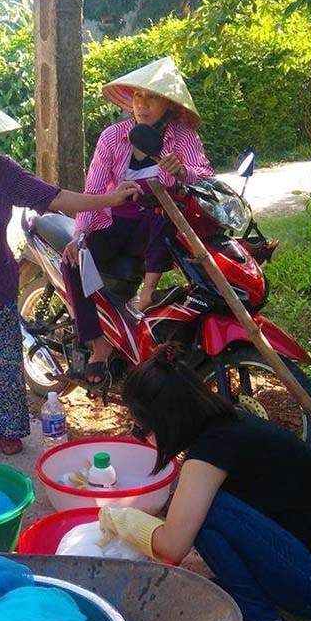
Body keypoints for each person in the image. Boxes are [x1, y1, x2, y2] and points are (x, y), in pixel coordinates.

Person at [0, 82, 142, 461]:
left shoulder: (2, 171)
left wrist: (109, 199)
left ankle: (12, 430)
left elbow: (56, 197)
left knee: (7, 361)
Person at [99, 344, 311, 621]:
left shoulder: (212, 451)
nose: (142, 437)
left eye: (142, 429)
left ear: (166, 421)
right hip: (308, 556)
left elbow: (173, 546)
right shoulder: (229, 424)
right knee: (199, 506)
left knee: (206, 511)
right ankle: (256, 595)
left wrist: (120, 520)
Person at [61, 56, 213, 384]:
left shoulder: (182, 136)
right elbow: (94, 189)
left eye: (152, 97)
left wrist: (183, 172)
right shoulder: (113, 137)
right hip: (114, 222)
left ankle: (149, 293)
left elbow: (205, 175)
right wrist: (80, 235)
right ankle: (98, 344)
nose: (142, 104)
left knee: (162, 212)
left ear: (169, 105)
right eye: (137, 96)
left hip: (157, 227)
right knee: (73, 262)